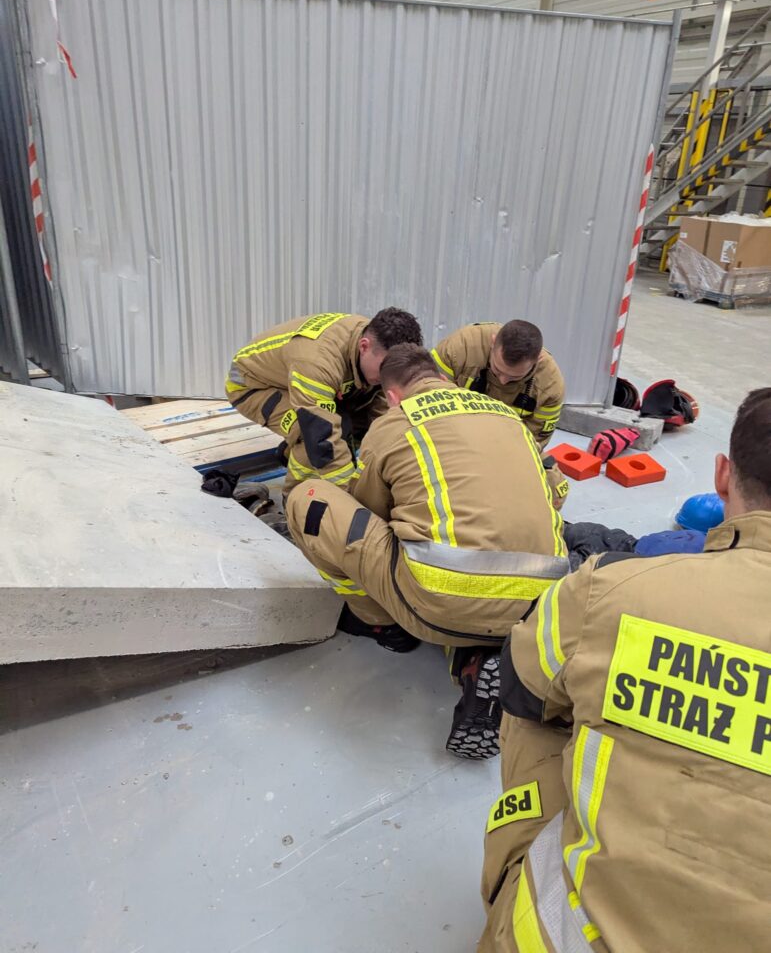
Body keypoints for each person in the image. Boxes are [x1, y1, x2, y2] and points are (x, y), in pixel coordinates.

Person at [479, 387, 771, 953]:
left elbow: (519, 688)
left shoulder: (616, 586)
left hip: (562, 942)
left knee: (538, 698)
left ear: (721, 474)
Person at [285, 344, 569, 759]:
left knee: (311, 497)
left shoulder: (393, 422)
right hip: (537, 604)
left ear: (394, 395)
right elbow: (558, 493)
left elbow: (370, 512)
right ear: (445, 380)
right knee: (469, 583)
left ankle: (380, 623)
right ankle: (475, 665)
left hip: (434, 602)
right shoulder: (508, 416)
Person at [225, 309, 422, 495]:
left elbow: (382, 419)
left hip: (299, 377)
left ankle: (287, 454)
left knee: (356, 425)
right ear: (364, 346)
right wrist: (351, 497)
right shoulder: (317, 362)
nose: (389, 377)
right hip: (253, 386)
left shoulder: (375, 347)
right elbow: (321, 437)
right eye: (384, 368)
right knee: (309, 435)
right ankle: (295, 502)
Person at [431, 321, 568, 507]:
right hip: (449, 438)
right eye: (497, 370)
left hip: (505, 448)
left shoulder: (550, 386)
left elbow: (533, 442)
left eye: (514, 378)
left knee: (554, 487)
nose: (503, 381)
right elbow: (426, 400)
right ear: (493, 342)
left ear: (538, 360)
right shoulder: (459, 349)